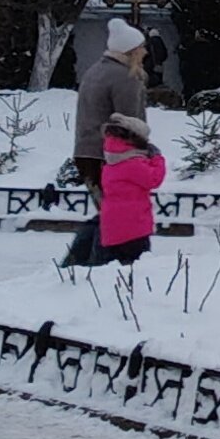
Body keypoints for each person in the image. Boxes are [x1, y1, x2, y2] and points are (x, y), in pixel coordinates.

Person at [64, 18, 149, 266]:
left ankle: (76, 262)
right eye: (141, 47)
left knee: (107, 212)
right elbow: (130, 124)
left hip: (86, 152)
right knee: (114, 216)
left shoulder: (96, 70)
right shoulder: (125, 78)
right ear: (130, 51)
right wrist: (144, 154)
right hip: (110, 157)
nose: (144, 52)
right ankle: (97, 264)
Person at [94, 113, 166, 268]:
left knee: (113, 270)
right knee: (136, 270)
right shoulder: (132, 163)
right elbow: (154, 179)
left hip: (111, 227)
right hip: (134, 227)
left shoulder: (112, 161)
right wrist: (157, 159)